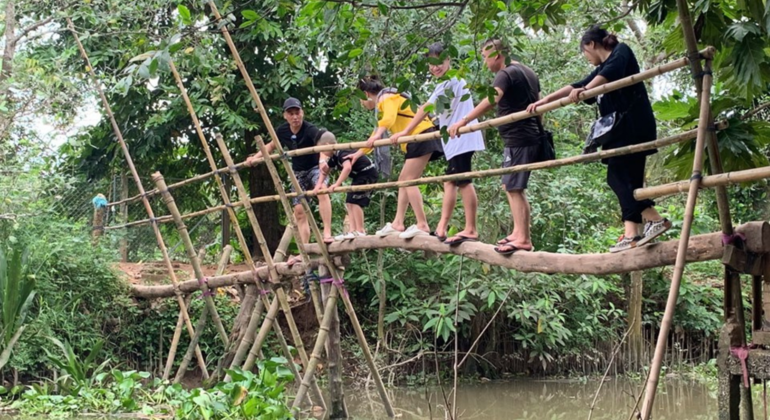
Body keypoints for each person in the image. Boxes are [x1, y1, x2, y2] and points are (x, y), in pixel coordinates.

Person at [527, 26, 671, 253]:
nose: (586, 57)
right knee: (628, 180)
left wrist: (586, 90)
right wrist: (545, 101)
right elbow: (576, 85)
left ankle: (654, 218)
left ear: (591, 45)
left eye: (584, 51)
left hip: (632, 127)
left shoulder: (621, 52)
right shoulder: (602, 68)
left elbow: (605, 76)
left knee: (617, 178)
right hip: (619, 131)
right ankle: (632, 233)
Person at [448, 38, 541, 255]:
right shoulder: (528, 72)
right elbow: (539, 103)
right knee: (510, 185)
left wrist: (464, 120)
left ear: (496, 55)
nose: (484, 62)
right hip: (526, 136)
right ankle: (519, 233)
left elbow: (492, 99)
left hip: (520, 137)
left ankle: (523, 238)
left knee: (514, 187)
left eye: (484, 56)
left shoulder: (506, 73)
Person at [391, 42, 486, 246]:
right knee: (450, 181)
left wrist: (406, 130)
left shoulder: (451, 81)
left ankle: (470, 228)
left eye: (439, 62)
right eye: (431, 63)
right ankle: (441, 228)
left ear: (448, 60)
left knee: (464, 181)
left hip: (462, 140)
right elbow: (438, 111)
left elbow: (427, 107)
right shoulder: (445, 84)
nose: (435, 67)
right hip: (455, 141)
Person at [347, 75, 444, 239]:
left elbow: (389, 119)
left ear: (366, 94)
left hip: (420, 135)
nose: (362, 104)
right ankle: (398, 223)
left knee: (408, 180)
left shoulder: (386, 96)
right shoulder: (387, 98)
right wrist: (358, 154)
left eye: (361, 100)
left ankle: (422, 224)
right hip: (418, 138)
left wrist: (377, 135)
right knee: (403, 180)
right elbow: (377, 132)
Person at [246, 98, 334, 264]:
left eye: (297, 112)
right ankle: (304, 250)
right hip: (298, 172)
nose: (295, 117)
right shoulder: (282, 130)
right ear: (285, 115)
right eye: (291, 113)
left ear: (302, 112)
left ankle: (327, 232)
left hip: (315, 168)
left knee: (322, 190)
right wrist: (255, 158)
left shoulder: (310, 129)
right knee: (299, 211)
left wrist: (323, 162)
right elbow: (271, 146)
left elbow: (324, 144)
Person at [312, 132, 378, 241]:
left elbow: (347, 168)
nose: (322, 152)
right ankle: (352, 230)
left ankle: (360, 230)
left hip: (367, 174)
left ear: (328, 144)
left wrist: (336, 184)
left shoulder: (342, 152)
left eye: (322, 149)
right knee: (349, 201)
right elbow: (325, 171)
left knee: (355, 201)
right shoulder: (334, 157)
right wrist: (318, 185)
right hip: (359, 176)